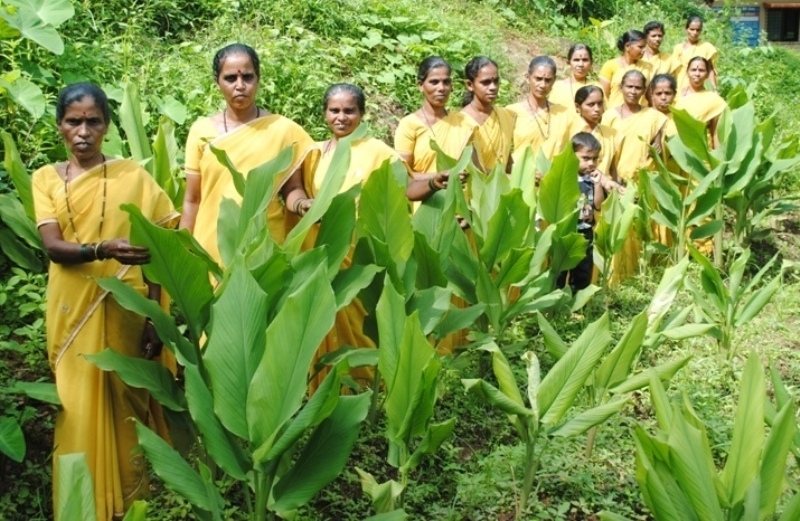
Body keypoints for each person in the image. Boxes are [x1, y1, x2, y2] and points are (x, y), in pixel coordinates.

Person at [32, 83, 180, 520]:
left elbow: (157, 249)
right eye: (73, 121)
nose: (83, 131)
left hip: (128, 310)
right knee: (76, 410)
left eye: (93, 121)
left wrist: (155, 316)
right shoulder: (46, 178)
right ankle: (81, 507)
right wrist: (103, 250)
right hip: (70, 310)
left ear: (107, 126)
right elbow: (53, 247)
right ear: (59, 126)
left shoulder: (133, 176)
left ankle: (128, 505)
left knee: (125, 405)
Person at [303, 83, 402, 392]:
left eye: (349, 111)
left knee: (358, 318)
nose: (341, 117)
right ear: (324, 114)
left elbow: (402, 189)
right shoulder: (314, 153)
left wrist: (436, 185)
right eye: (334, 110)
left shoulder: (378, 152)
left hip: (359, 251)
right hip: (322, 251)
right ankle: (325, 386)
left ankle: (365, 387)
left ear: (362, 114)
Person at [180, 43, 314, 264]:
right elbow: (192, 200)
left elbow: (293, 189)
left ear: (258, 79)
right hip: (211, 244)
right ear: (217, 82)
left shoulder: (281, 130)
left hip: (263, 244)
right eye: (230, 78)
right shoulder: (201, 131)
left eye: (248, 78)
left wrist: (302, 205)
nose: (240, 86)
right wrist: (183, 249)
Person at [601, 70, 667, 282]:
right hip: (614, 180)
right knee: (617, 229)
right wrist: (610, 178)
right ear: (620, 87)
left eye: (638, 87)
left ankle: (637, 276)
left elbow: (658, 152)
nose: (633, 91)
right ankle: (614, 276)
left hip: (641, 182)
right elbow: (605, 149)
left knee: (638, 229)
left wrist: (659, 145)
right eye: (629, 86)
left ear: (644, 90)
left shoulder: (655, 118)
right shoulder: (609, 116)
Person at [394, 56, 474, 201]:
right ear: (420, 85)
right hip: (424, 204)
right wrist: (439, 176)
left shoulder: (464, 122)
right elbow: (403, 176)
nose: (441, 88)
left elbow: (474, 170)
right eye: (434, 82)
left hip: (459, 205)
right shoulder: (409, 125)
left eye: (446, 82)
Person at [557, 132, 605, 292]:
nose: (591, 163)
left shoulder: (592, 178)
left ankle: (578, 307)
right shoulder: (565, 178)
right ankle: (555, 307)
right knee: (559, 272)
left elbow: (598, 206)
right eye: (585, 158)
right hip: (565, 232)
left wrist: (598, 184)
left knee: (583, 272)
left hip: (585, 232)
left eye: (595, 159)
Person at [507, 56, 574, 165]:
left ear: (554, 81)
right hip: (522, 177)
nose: (543, 85)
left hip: (552, 178)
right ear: (527, 78)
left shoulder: (564, 113)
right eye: (538, 79)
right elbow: (502, 150)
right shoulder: (512, 112)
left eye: (548, 80)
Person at [456, 56, 514, 173]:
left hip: (503, 188)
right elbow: (475, 169)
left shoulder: (505, 115)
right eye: (486, 82)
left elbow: (506, 159)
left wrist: (525, 174)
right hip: (475, 189)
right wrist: (508, 179)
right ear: (469, 85)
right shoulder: (461, 122)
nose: (493, 87)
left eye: (496, 81)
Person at [567, 85, 622, 189]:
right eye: (591, 105)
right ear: (578, 107)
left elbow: (612, 168)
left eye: (600, 104)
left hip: (605, 192)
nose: (597, 109)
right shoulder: (569, 131)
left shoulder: (610, 133)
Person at [674, 56, 726, 148]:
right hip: (677, 152)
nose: (697, 73)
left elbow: (716, 133)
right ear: (687, 73)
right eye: (693, 70)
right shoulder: (676, 95)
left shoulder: (714, 100)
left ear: (707, 74)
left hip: (702, 154)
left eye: (701, 70)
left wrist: (718, 158)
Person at [599, 30, 653, 109]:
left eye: (645, 47)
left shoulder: (648, 66)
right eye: (640, 47)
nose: (644, 50)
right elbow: (603, 96)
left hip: (641, 114)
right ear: (627, 46)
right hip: (616, 114)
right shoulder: (610, 66)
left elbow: (650, 94)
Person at [673, 16, 718, 89]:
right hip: (681, 85)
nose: (695, 32)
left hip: (699, 84)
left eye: (698, 30)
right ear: (686, 29)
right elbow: (674, 71)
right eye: (692, 29)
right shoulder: (678, 48)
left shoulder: (706, 47)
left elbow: (710, 69)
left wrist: (713, 89)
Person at [549, 44, 597, 108]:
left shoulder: (596, 87)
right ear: (569, 62)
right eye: (576, 60)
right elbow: (550, 111)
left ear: (591, 63)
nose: (581, 64)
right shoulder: (558, 87)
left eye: (585, 60)